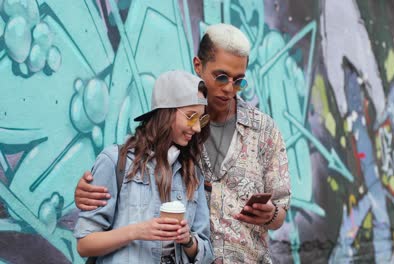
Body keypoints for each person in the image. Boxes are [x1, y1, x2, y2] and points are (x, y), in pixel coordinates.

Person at [75, 24, 291, 263]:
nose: (229, 88)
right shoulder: (170, 132)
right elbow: (126, 179)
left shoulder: (264, 131)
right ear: (198, 66)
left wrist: (271, 215)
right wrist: (87, 191)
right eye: (221, 76)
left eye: (238, 80)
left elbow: (280, 213)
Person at [73, 70, 214, 264]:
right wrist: (137, 231)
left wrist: (188, 241)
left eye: (201, 119)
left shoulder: (192, 173)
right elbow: (85, 244)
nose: (197, 127)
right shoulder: (115, 161)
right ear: (165, 113)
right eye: (191, 116)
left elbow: (206, 253)